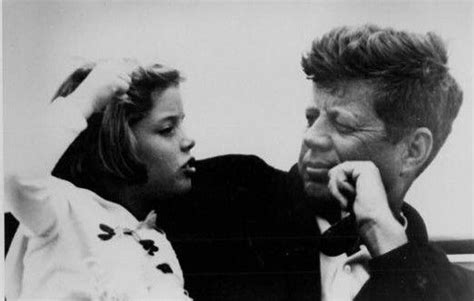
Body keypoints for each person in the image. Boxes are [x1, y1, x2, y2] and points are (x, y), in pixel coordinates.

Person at [154, 25, 473, 300]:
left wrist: (383, 236)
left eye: (343, 125)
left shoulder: (455, 289)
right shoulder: (227, 194)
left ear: (413, 150)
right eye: (312, 118)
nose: (312, 138)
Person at [4, 60, 195, 299]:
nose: (188, 141)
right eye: (167, 129)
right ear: (115, 143)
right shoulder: (62, 208)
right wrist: (86, 98)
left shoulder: (157, 241)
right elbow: (17, 175)